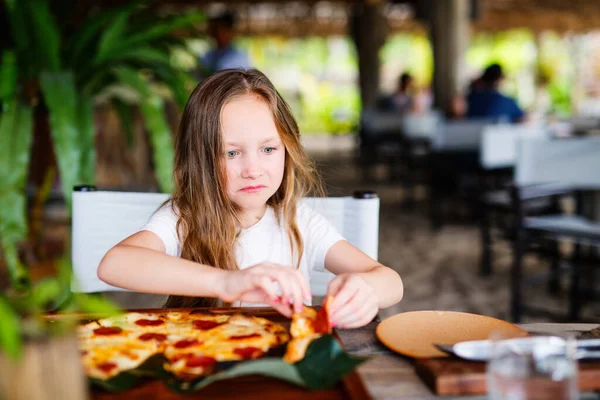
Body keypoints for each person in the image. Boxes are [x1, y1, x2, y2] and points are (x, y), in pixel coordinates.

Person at [97, 69, 403, 329]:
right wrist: (227, 283)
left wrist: (365, 289)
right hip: (200, 359)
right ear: (201, 159)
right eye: (231, 152)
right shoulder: (183, 219)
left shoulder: (299, 223)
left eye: (268, 149)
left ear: (288, 148)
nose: (253, 170)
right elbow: (114, 264)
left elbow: (391, 282)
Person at [198, 10, 251, 77]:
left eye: (223, 31)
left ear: (231, 32)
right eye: (215, 30)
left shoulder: (240, 57)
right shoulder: (207, 57)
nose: (218, 35)